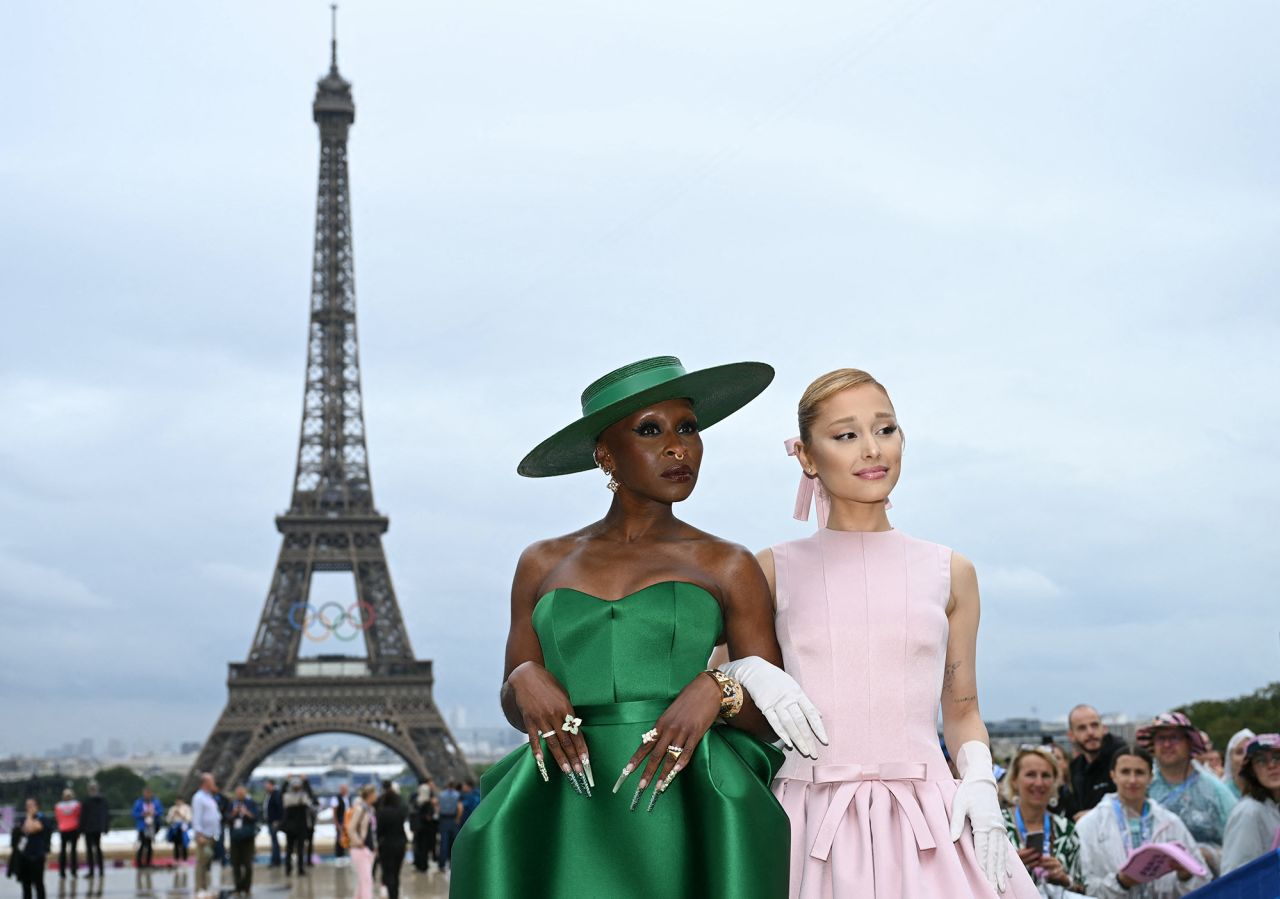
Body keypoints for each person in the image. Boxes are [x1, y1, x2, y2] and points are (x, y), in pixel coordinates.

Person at [451, 356, 822, 898]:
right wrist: (523, 677)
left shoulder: (728, 564)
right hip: (562, 804)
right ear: (605, 454)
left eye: (688, 429)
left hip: (684, 803)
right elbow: (517, 708)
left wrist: (717, 689)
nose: (679, 447)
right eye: (651, 430)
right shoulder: (540, 561)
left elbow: (768, 720)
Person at [762, 367, 1035, 898]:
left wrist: (979, 779)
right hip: (803, 827)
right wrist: (740, 670)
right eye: (846, 435)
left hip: (931, 826)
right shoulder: (768, 571)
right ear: (807, 457)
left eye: (885, 429)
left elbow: (962, 712)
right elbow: (725, 702)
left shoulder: (951, 571)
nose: (872, 449)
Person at [1076, 744, 1208, 898]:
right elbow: (1080, 887)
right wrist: (1121, 882)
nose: (1132, 780)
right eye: (1125, 772)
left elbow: (1203, 880)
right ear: (1113, 775)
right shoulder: (1091, 825)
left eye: (1139, 772)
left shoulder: (1170, 823)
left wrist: (1185, 875)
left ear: (1150, 777)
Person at [1138, 711, 1236, 873]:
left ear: (1189, 742)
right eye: (1161, 738)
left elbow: (1238, 848)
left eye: (1174, 737)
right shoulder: (1142, 787)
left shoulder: (1214, 790)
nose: (1167, 744)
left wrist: (1206, 855)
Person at [1001, 747, 1085, 896]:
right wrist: (1010, 866)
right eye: (1031, 774)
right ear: (1014, 780)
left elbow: (1083, 889)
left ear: (1055, 782)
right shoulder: (997, 826)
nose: (1039, 783)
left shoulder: (1067, 830)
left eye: (1046, 775)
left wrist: (1064, 879)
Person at [1221, 733, 1280, 874]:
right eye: (1261, 760)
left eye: (1278, 758)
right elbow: (1236, 878)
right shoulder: (1248, 812)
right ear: (1252, 771)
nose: (1271, 765)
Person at [1067, 705, 1124, 819]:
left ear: (1104, 728)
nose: (1090, 732)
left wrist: (1093, 816)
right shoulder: (1076, 768)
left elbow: (1134, 803)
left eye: (1094, 725)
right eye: (1082, 728)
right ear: (1071, 736)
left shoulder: (1122, 757)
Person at [8, 797, 53, 899]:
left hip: (37, 856)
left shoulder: (42, 818)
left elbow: (32, 828)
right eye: (27, 805)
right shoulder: (23, 819)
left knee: (38, 884)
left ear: (37, 806)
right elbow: (24, 829)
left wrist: (29, 816)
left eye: (31, 805)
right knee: (25, 885)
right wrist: (28, 818)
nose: (29, 807)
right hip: (25, 856)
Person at [191, 773, 222, 899]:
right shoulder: (198, 798)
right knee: (201, 863)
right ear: (205, 783)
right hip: (204, 835)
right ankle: (199, 889)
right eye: (212, 781)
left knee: (207, 863)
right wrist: (199, 834)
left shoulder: (209, 796)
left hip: (211, 834)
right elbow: (196, 817)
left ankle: (206, 887)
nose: (214, 782)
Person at [225, 784, 259, 896]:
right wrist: (234, 813)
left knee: (248, 864)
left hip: (248, 837)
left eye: (242, 793)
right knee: (236, 863)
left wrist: (246, 813)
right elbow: (226, 818)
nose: (240, 795)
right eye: (238, 793)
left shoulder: (251, 803)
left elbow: (256, 817)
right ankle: (238, 887)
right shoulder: (231, 804)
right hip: (235, 837)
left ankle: (247, 887)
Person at [376, 784, 409, 899]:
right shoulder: (400, 812)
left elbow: (379, 832)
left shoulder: (382, 813)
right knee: (396, 872)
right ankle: (396, 894)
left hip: (387, 845)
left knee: (388, 872)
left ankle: (392, 895)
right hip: (400, 844)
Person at [346, 785, 377, 899]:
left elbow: (372, 830)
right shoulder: (360, 809)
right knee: (366, 880)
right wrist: (359, 842)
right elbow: (350, 828)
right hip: (360, 849)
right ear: (369, 795)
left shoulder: (370, 809)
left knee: (362, 881)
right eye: (374, 793)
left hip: (368, 848)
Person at [282, 776, 310, 875]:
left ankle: (291, 869)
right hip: (298, 826)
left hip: (292, 826)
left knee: (292, 849)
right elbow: (308, 800)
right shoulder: (302, 797)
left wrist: (286, 781)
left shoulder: (287, 797)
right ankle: (297, 869)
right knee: (297, 849)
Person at [80, 781, 108, 880]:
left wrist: (81, 828)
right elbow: (105, 815)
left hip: (89, 828)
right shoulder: (102, 800)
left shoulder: (86, 801)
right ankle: (100, 871)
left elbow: (83, 816)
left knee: (91, 851)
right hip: (97, 828)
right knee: (98, 849)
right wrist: (105, 827)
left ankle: (92, 871)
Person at [132, 786, 164, 869]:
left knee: (149, 844)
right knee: (142, 844)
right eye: (146, 793)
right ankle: (139, 863)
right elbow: (134, 814)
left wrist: (154, 813)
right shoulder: (139, 802)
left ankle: (148, 862)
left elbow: (160, 811)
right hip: (142, 826)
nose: (147, 795)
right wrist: (142, 814)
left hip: (152, 826)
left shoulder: (156, 802)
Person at [410, 779, 437, 871]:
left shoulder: (415, 801)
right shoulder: (428, 803)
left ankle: (418, 864)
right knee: (425, 848)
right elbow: (430, 816)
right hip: (427, 828)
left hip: (417, 827)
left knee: (418, 846)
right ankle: (423, 865)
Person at [54, 788, 81, 879]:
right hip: (72, 828)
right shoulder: (76, 805)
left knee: (65, 851)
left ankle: (63, 872)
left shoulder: (58, 806)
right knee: (71, 852)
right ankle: (71, 871)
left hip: (65, 829)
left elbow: (58, 817)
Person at [1222, 728, 1256, 799]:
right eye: (1239, 752)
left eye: (1249, 752)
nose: (1244, 757)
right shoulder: (1222, 792)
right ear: (1230, 757)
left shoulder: (1269, 792)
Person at [436, 781, 461, 872]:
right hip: (453, 819)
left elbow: (437, 807)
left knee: (444, 843)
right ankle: (453, 864)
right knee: (454, 843)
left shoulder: (441, 795)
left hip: (444, 820)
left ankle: (441, 865)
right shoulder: (457, 795)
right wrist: (458, 818)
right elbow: (460, 807)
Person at [263, 779, 284, 867]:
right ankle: (276, 860)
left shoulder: (275, 795)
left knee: (274, 842)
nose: (265, 787)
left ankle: (275, 861)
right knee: (274, 841)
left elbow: (279, 808)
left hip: (273, 822)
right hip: (271, 821)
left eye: (267, 785)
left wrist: (277, 820)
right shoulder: (271, 795)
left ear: (272, 785)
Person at [166, 797, 192, 863]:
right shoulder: (172, 809)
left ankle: (184, 858)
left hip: (183, 828)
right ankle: (176, 858)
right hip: (175, 828)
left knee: (184, 843)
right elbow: (168, 820)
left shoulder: (186, 808)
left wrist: (181, 814)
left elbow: (189, 819)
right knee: (176, 844)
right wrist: (173, 815)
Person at [333, 784, 349, 862]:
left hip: (345, 820)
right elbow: (334, 812)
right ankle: (338, 856)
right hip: (340, 820)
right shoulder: (336, 798)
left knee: (344, 837)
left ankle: (343, 855)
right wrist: (336, 823)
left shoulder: (346, 798)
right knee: (339, 837)